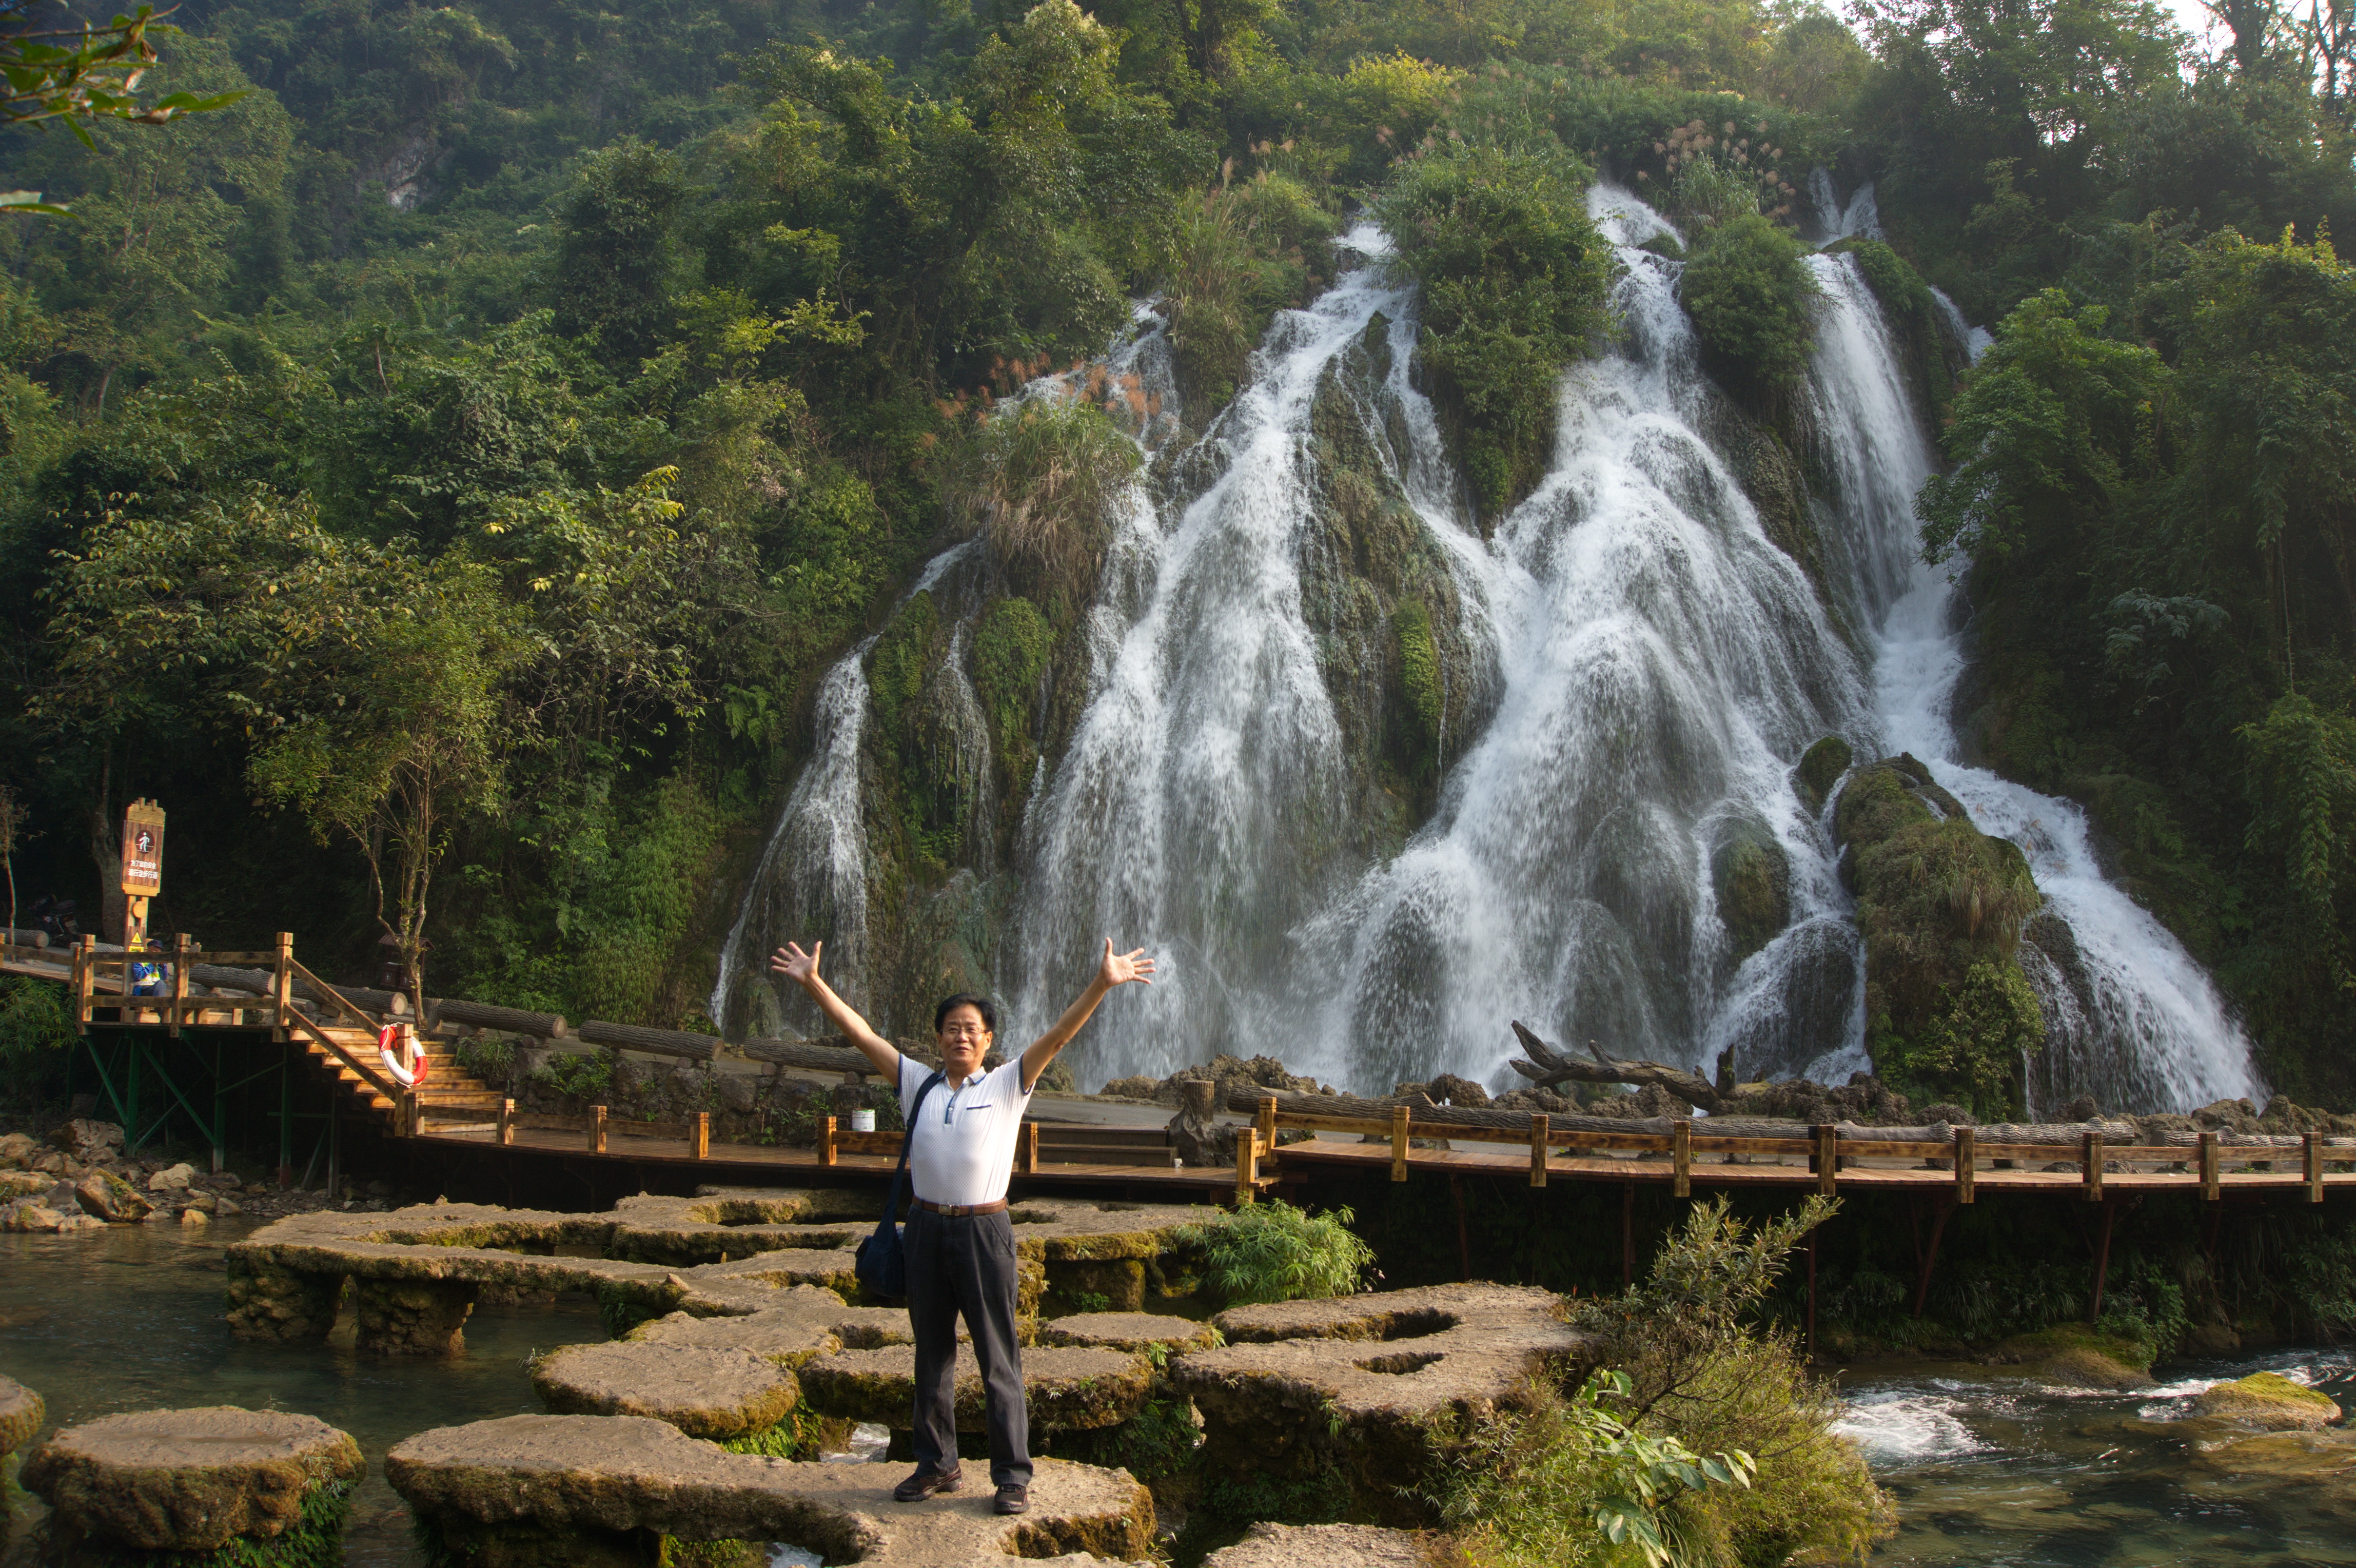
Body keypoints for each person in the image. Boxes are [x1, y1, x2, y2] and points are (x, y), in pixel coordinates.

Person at [770, 936, 1154, 1517]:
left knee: (998, 1354)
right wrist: (813, 983)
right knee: (931, 1352)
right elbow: (862, 1034)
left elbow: (1059, 1035)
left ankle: (1011, 1475)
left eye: (972, 1028)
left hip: (983, 1230)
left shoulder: (1006, 1084)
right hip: (923, 1226)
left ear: (988, 1039)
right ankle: (937, 1462)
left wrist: (1103, 982)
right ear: (938, 1036)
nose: (961, 1036)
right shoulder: (916, 1083)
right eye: (951, 1027)